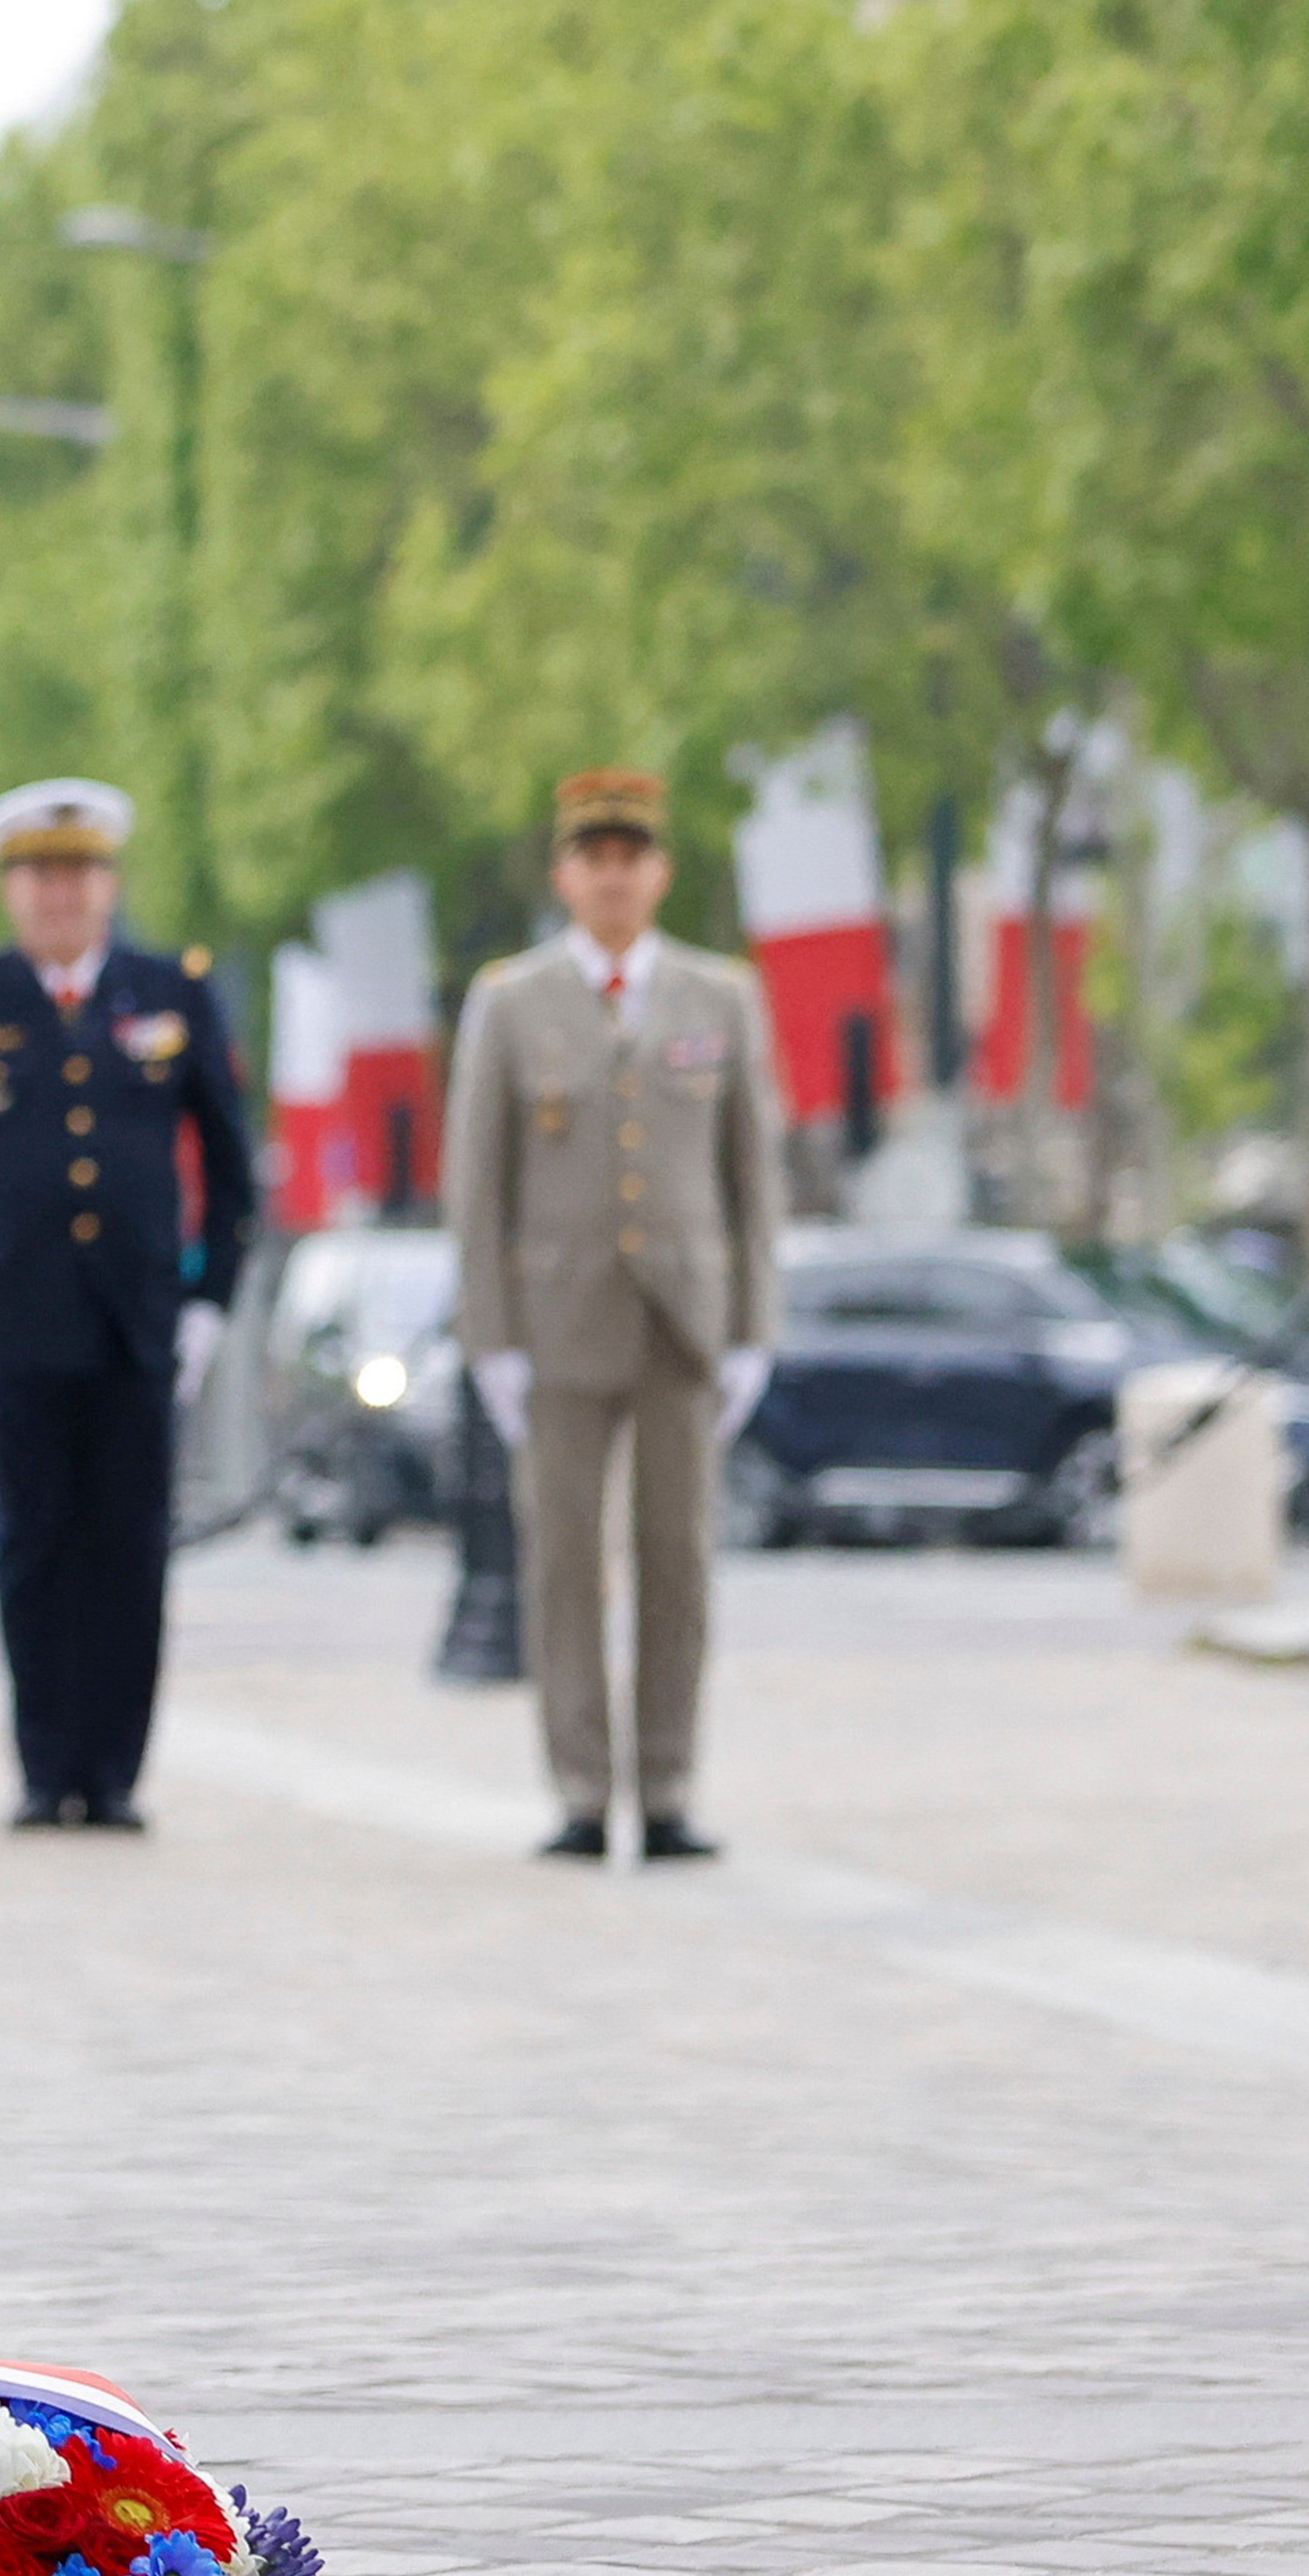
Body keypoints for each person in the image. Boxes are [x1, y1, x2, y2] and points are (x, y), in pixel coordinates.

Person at [0, 779, 255, 1833]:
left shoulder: (171, 992)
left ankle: (118, 1772)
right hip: (19, 1317)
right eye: (41, 877)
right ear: (12, 891)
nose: (62, 895)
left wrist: (208, 1303)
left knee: (132, 1549)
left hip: (139, 1318)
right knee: (36, 1546)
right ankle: (48, 1769)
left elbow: (232, 1164)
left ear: (109, 885)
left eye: (80, 874)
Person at [445, 769, 781, 1864]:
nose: (614, 879)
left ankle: (669, 1786)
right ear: (565, 875)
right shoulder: (513, 1001)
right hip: (559, 1322)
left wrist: (755, 1328)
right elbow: (477, 1186)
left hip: (684, 1317)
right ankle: (582, 1789)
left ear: (661, 872)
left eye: (631, 859)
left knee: (679, 1560)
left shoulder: (719, 997)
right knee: (565, 1564)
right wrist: (490, 1337)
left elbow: (754, 1178)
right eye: (595, 860)